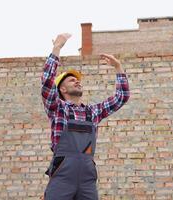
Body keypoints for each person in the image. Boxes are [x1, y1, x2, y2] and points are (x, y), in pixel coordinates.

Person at [41, 33, 130, 200]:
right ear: (62, 90)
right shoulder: (57, 108)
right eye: (71, 80)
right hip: (63, 176)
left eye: (78, 80)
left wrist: (118, 68)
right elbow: (47, 82)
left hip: (87, 178)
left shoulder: (93, 112)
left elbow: (121, 97)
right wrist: (57, 48)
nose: (77, 81)